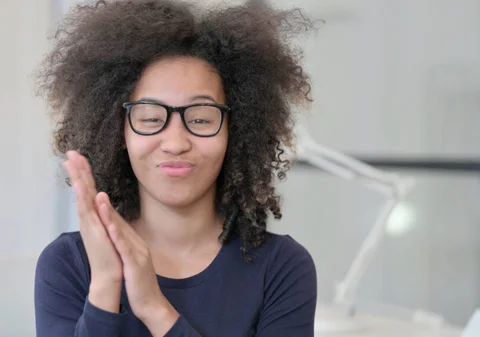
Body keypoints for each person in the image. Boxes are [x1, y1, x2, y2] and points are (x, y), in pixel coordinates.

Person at [34, 0, 317, 336]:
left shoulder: (282, 268)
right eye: (152, 119)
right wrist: (106, 287)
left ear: (235, 131)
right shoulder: (68, 263)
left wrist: (155, 310)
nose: (175, 142)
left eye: (200, 119)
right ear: (118, 131)